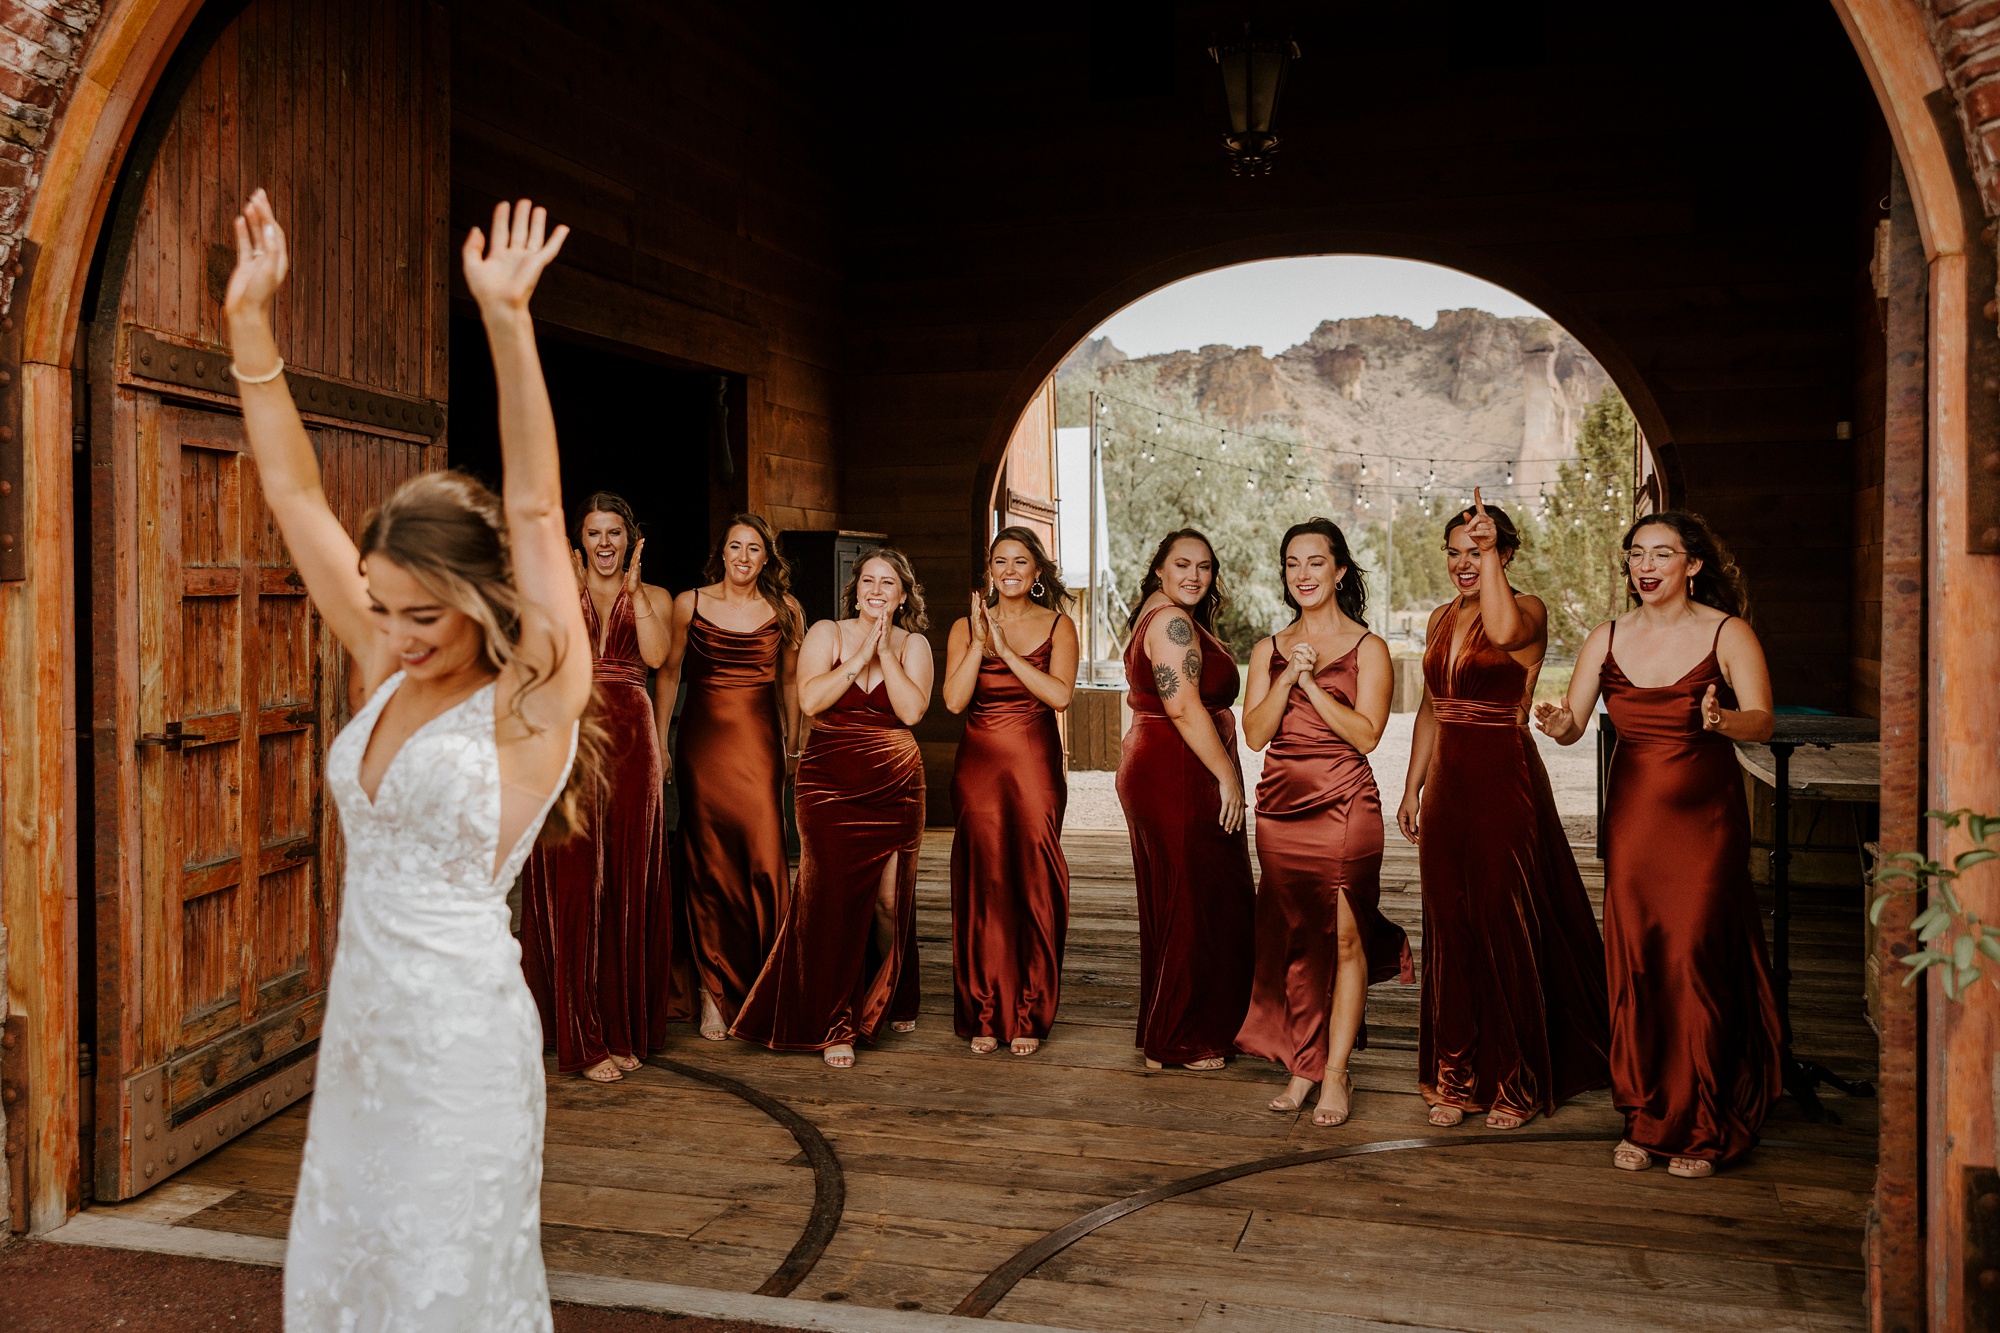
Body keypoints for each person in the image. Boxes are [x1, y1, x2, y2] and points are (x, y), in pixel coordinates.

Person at [227, 192, 592, 1330]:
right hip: (366, 1038)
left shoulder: (534, 696)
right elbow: (292, 491)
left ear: (483, 599)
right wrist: (251, 324)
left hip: (460, 1048)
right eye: (381, 607)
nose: (394, 632)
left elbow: (534, 504)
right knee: (352, 1277)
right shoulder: (387, 657)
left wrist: (508, 320)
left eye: (423, 613)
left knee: (446, 1292)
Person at [1534, 511, 1782, 1178]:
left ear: (1692, 565)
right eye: (1638, 553)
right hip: (1635, 823)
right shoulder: (1607, 636)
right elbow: (1573, 722)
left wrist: (1722, 718)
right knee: (1638, 963)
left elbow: (1762, 718)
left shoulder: (1728, 633)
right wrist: (1558, 721)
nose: (1647, 565)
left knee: (1693, 959)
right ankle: (1644, 1117)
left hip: (1705, 825)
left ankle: (1700, 1124)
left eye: (1663, 553)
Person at [1397, 491, 1609, 1129]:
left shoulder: (1528, 611)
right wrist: (1413, 788)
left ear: (1506, 551)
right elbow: (1433, 707)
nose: (1464, 563)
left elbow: (1503, 633)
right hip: (1449, 787)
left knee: (1502, 920)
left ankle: (1515, 1080)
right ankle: (1455, 1076)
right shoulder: (1439, 617)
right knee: (1450, 925)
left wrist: (1490, 559)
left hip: (1502, 777)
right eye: (1456, 553)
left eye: (1480, 550)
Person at [1235, 519, 1413, 1125]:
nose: (1303, 575)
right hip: (1279, 812)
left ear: (1340, 570)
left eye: (1315, 563)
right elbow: (1255, 734)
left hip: (1345, 808)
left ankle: (1335, 1073)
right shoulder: (1267, 648)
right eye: (1292, 564)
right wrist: (1288, 673)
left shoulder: (1370, 649)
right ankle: (1302, 1063)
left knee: (1343, 937)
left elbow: (1366, 734)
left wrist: (1312, 684)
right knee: (1297, 941)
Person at [731, 548, 933, 1067]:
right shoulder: (827, 632)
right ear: (856, 587)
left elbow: (911, 710)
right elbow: (811, 701)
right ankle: (834, 1020)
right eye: (868, 580)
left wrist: (884, 649)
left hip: (894, 785)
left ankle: (892, 992)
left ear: (902, 595)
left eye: (888, 583)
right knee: (830, 900)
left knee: (890, 902)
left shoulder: (915, 645)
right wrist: (860, 655)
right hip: (828, 785)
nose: (876, 589)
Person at [518, 492, 672, 1083]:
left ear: (629, 539)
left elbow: (656, 656)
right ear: (579, 541)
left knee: (627, 884)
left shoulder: (652, 597)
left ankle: (620, 1026)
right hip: (570, 738)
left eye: (613, 533)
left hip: (634, 743)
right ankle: (579, 1037)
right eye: (593, 533)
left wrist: (633, 593)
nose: (603, 544)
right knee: (576, 882)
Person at [655, 514, 804, 1038]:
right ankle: (711, 991)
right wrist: (659, 744)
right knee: (709, 863)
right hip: (703, 748)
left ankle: (768, 981)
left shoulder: (785, 610)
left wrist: (794, 747)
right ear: (722, 553)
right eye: (735, 548)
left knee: (764, 856)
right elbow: (669, 672)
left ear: (767, 559)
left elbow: (790, 682)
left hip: (760, 748)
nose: (743, 557)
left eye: (754, 549)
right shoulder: (688, 603)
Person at [1116, 529, 1256, 1071]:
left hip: (1160, 762)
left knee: (1177, 897)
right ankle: (1179, 1037)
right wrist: (1229, 777)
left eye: (1204, 566)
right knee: (1200, 900)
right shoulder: (1172, 621)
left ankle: (1167, 1023)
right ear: (1159, 570)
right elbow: (1181, 707)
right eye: (1182, 564)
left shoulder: (1155, 613)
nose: (1195, 575)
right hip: (1181, 766)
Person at [943, 527, 1079, 1057]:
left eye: (1021, 561)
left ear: (1036, 572)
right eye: (1000, 561)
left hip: (1034, 766)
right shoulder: (965, 627)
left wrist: (1008, 652)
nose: (1010, 570)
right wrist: (981, 644)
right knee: (985, 883)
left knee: (1034, 880)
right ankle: (984, 1009)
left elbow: (1059, 695)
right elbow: (954, 700)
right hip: (978, 765)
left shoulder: (1058, 625)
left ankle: (1028, 1010)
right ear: (990, 571)